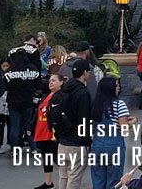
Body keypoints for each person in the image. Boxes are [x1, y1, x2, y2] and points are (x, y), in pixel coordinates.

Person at [89, 76, 134, 189]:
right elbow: (123, 127)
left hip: (97, 145)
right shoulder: (119, 104)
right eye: (117, 85)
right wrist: (133, 122)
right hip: (114, 147)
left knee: (98, 179)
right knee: (114, 182)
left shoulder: (95, 105)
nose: (119, 87)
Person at [54, 58, 92, 189]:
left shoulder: (64, 89)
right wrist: (87, 141)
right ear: (85, 73)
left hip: (62, 140)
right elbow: (84, 119)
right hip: (77, 142)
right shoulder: (83, 93)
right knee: (74, 178)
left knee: (63, 176)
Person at [4, 36, 42, 152]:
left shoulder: (9, 72)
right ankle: (33, 148)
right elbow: (38, 85)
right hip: (27, 101)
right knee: (28, 125)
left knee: (14, 126)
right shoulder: (32, 69)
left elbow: (5, 85)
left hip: (13, 101)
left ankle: (15, 148)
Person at [34, 69, 62, 189]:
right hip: (42, 130)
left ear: (61, 82)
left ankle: (65, 181)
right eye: (50, 81)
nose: (50, 83)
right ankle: (48, 183)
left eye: (54, 81)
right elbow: (38, 112)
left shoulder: (61, 97)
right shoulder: (46, 96)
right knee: (47, 157)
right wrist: (31, 127)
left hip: (52, 132)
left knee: (56, 157)